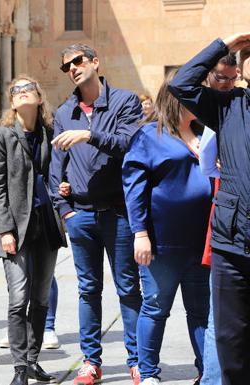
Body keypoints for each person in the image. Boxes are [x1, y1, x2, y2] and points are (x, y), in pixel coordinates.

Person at [49, 43, 143, 385]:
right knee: (88, 289)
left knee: (128, 289)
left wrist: (90, 134)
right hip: (81, 217)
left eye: (78, 61)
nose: (73, 68)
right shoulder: (63, 113)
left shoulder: (125, 101)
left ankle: (138, 361)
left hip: (118, 213)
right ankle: (91, 362)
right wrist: (64, 210)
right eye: (66, 66)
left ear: (95, 63)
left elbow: (129, 144)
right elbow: (55, 168)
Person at [168, 32, 250, 385]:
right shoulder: (229, 105)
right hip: (232, 241)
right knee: (230, 339)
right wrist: (225, 44)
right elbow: (182, 84)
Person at [123, 71, 212, 385]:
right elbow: (134, 188)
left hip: (202, 242)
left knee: (201, 311)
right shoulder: (150, 135)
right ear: (176, 97)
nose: (201, 99)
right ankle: (147, 372)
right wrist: (140, 233)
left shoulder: (207, 133)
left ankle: (207, 371)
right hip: (163, 243)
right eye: (194, 93)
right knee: (156, 307)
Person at [0, 75, 65, 385]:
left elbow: (57, 169)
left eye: (27, 88)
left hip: (45, 223)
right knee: (18, 297)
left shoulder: (48, 132)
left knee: (41, 296)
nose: (21, 93)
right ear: (12, 101)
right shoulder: (2, 135)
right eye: (15, 90)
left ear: (38, 96)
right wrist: (5, 229)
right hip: (15, 227)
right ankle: (19, 368)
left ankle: (33, 361)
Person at [198, 52, 238, 385]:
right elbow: (207, 163)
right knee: (220, 319)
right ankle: (213, 379)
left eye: (231, 79)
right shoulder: (224, 110)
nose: (226, 85)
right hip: (230, 218)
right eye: (220, 79)